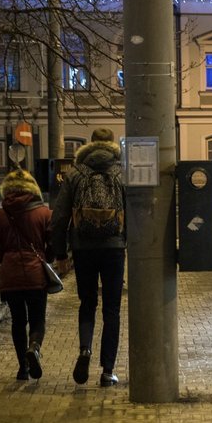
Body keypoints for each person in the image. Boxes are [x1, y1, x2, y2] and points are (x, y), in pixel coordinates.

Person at [51, 127, 126, 387]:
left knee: (87, 303)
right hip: (114, 247)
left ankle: (85, 349)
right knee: (112, 309)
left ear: (91, 144)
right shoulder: (121, 172)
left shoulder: (75, 174)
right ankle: (107, 371)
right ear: (112, 144)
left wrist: (61, 254)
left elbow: (59, 217)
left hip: (83, 248)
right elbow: (135, 215)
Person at [0, 169, 53, 381]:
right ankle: (34, 347)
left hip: (10, 275)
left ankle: (22, 369)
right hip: (36, 275)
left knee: (17, 321)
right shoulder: (44, 213)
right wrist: (46, 258)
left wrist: (5, 259)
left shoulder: (0, 214)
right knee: (37, 320)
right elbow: (51, 245)